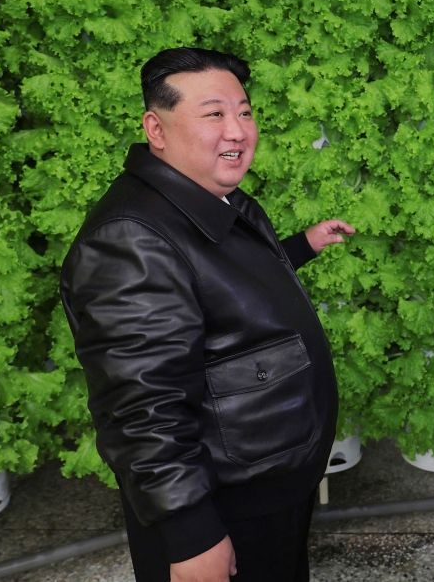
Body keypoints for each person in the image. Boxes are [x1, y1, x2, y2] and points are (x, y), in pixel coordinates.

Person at [59, 47, 355, 582]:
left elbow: (217, 289)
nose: (238, 131)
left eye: (244, 111)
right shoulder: (130, 238)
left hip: (263, 482)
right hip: (222, 505)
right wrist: (191, 532)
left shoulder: (203, 200)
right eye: (214, 114)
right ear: (156, 127)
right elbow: (141, 404)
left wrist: (301, 246)